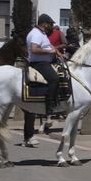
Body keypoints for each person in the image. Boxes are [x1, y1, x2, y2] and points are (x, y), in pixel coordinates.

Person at [22, 13, 65, 147]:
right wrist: (50, 53)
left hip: (46, 61)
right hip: (39, 63)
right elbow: (34, 49)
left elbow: (48, 46)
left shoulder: (42, 34)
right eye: (50, 24)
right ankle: (50, 106)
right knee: (54, 78)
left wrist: (58, 53)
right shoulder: (35, 33)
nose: (51, 26)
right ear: (44, 23)